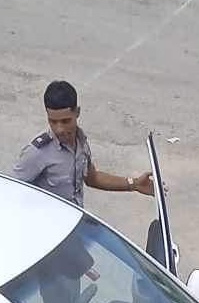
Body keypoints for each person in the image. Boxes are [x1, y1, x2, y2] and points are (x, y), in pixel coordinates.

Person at [12, 80, 155, 207]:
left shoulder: (80, 141)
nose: (59, 129)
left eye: (65, 121)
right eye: (53, 121)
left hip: (76, 217)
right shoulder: (37, 152)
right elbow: (11, 191)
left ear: (77, 112)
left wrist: (134, 184)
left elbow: (92, 178)